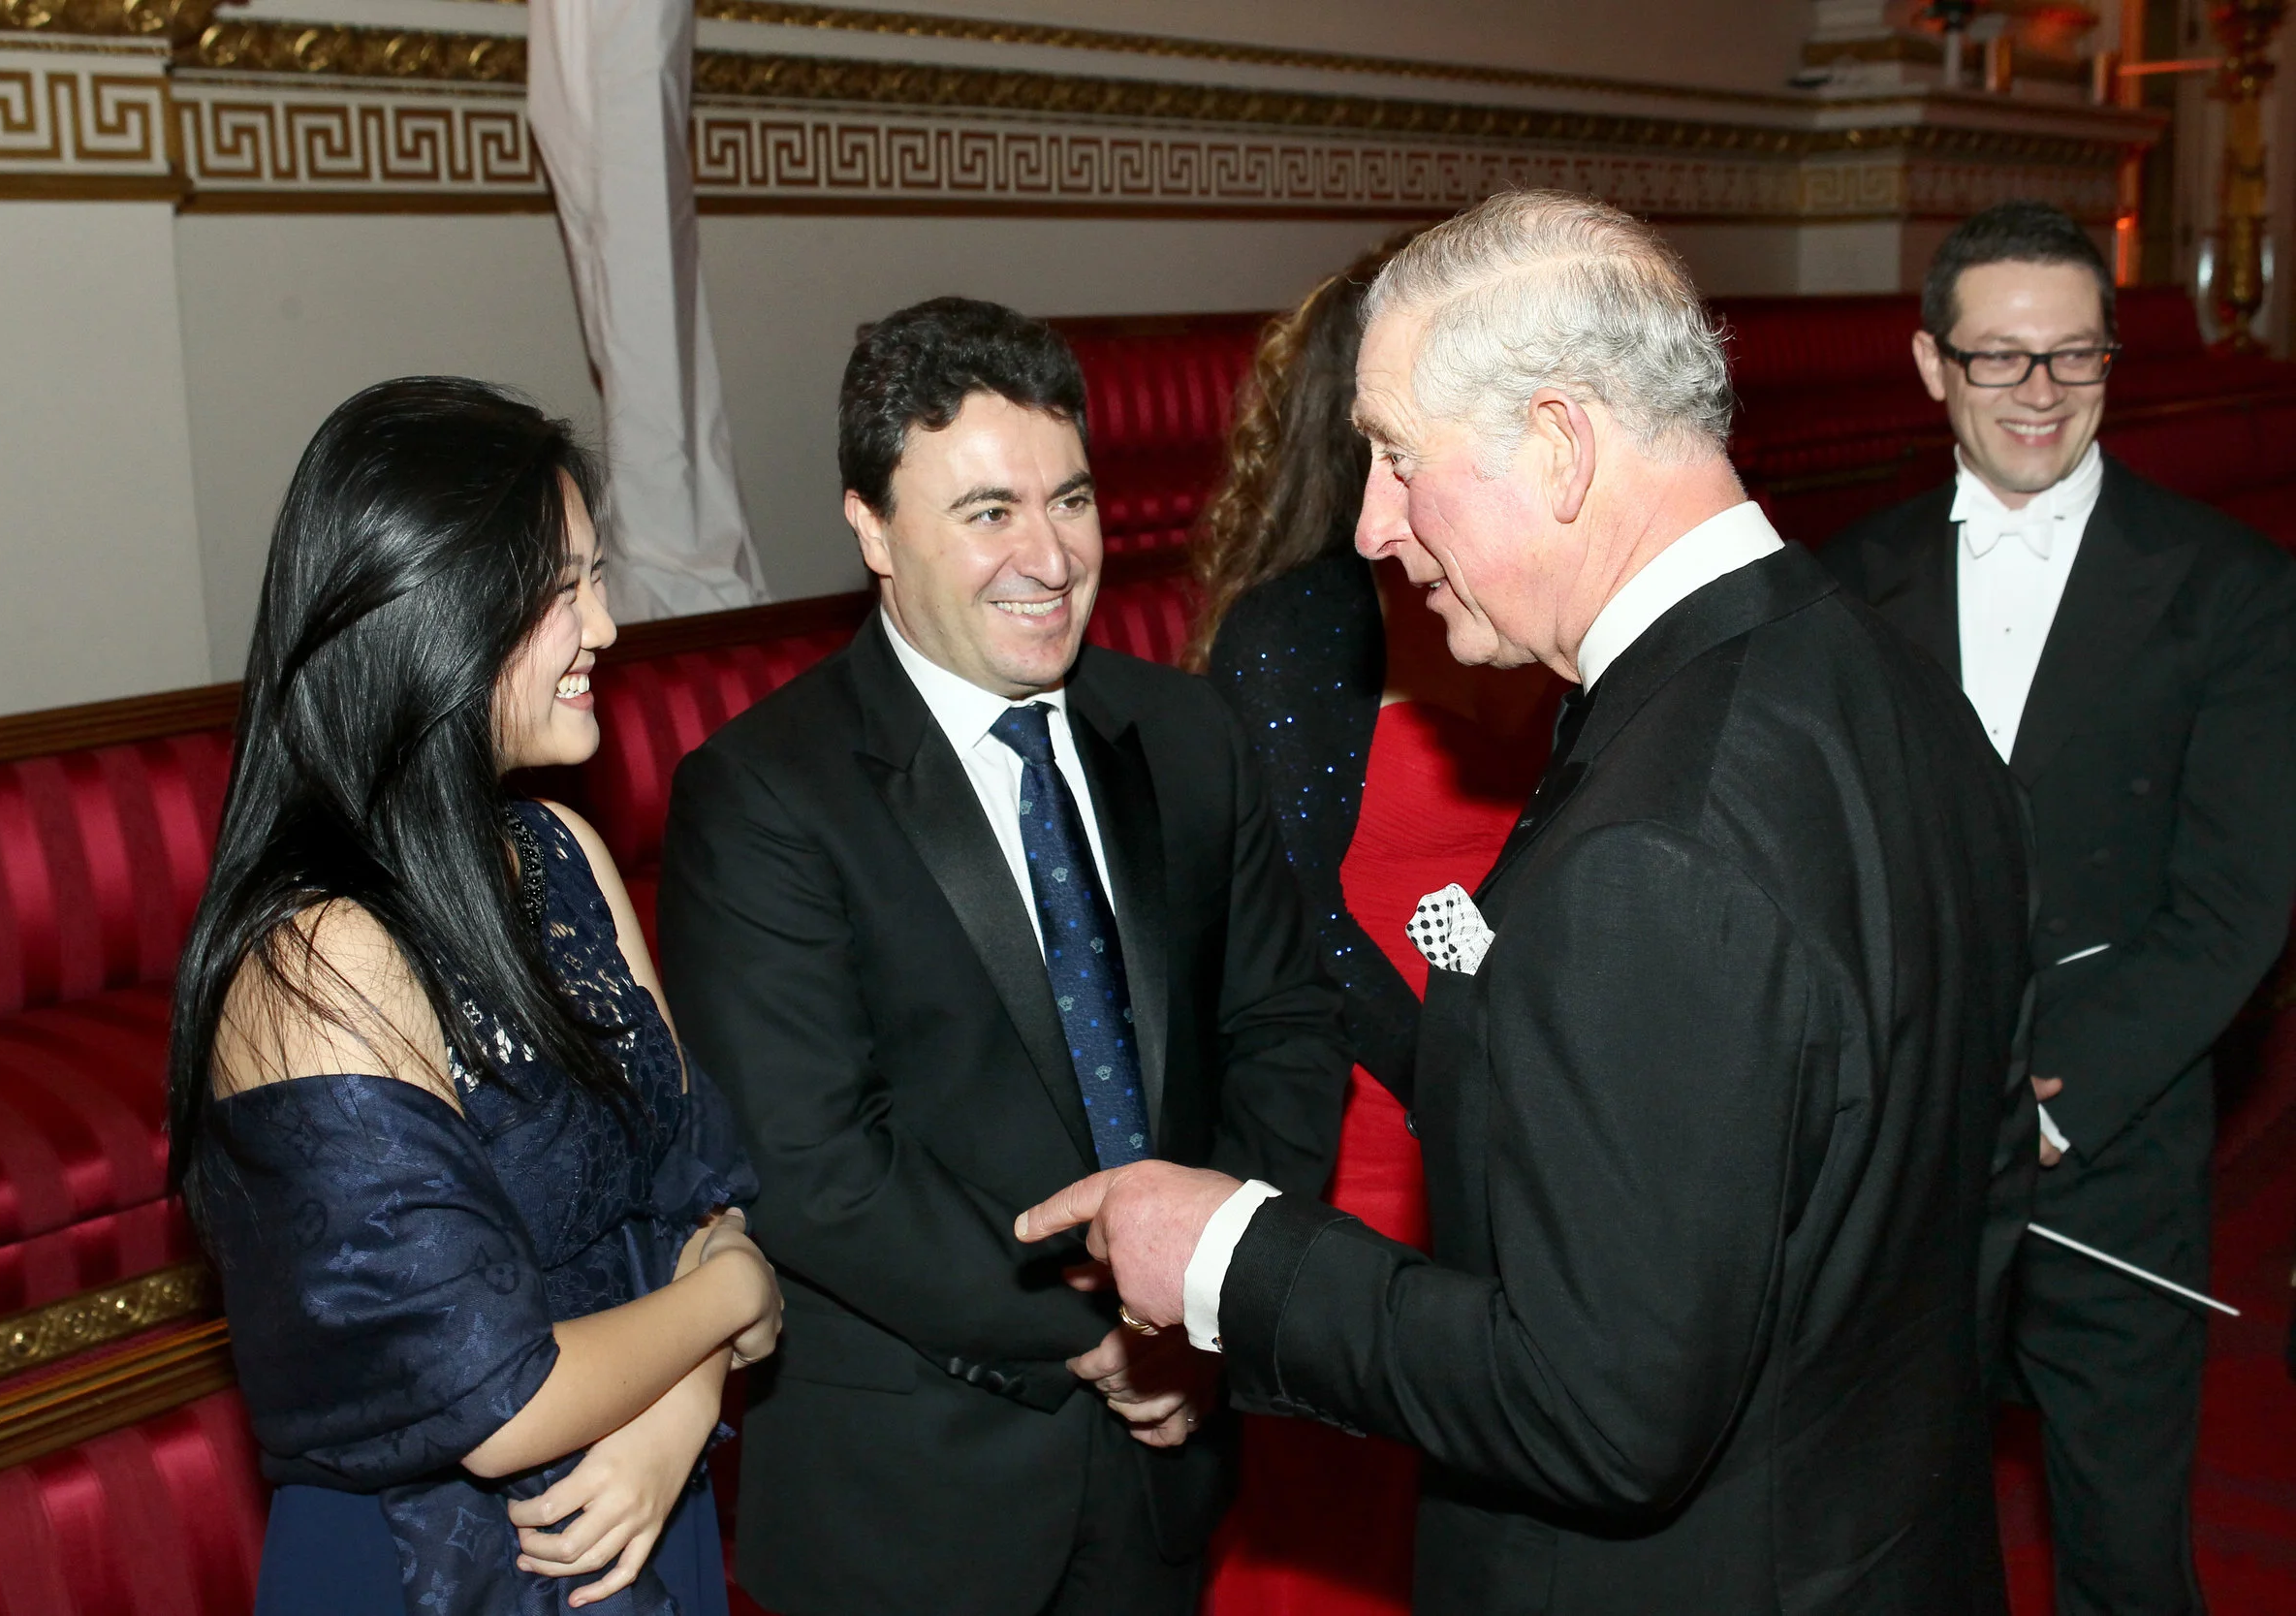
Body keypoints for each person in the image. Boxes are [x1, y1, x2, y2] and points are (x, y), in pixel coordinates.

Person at [1017, 190, 2038, 1614]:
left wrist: (1229, 1257)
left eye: (1395, 456)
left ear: (1559, 444)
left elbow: (1601, 1407)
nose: (1371, 524)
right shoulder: (1902, 688)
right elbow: (1979, 1197)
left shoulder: (1653, 848)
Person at [659, 297, 1350, 1616]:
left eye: (1071, 499)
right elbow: (815, 1163)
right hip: (915, 1500)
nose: (1049, 555)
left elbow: (1284, 1027)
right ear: (872, 527)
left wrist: (1211, 1288)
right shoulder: (764, 792)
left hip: (1169, 1466)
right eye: (988, 511)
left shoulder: (1188, 733)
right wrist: (1115, 1326)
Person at [167, 378, 783, 1616]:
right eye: (562, 590)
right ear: (432, 615)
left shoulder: (561, 854)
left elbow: (704, 1197)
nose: (606, 624)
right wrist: (730, 1298)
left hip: (631, 1504)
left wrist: (684, 1404)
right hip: (437, 1563)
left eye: (596, 579)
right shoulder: (318, 960)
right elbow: (495, 1398)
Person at [1820, 200, 2296, 1616]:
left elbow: (2239, 899)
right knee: (1893, 1551)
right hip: (1898, 1168)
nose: (2039, 390)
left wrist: (2050, 1098)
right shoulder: (1843, 584)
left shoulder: (2233, 588)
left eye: (2074, 355)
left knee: (2124, 1557)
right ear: (1932, 364)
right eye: (2000, 357)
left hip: (2113, 1151)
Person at [1186, 236, 1554, 1613]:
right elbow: (1294, 923)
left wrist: (1537, 1060)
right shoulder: (1294, 630)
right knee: (1343, 1501)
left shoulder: (1541, 598)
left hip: (1544, 1094)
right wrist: (1450, 1068)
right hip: (1363, 1116)